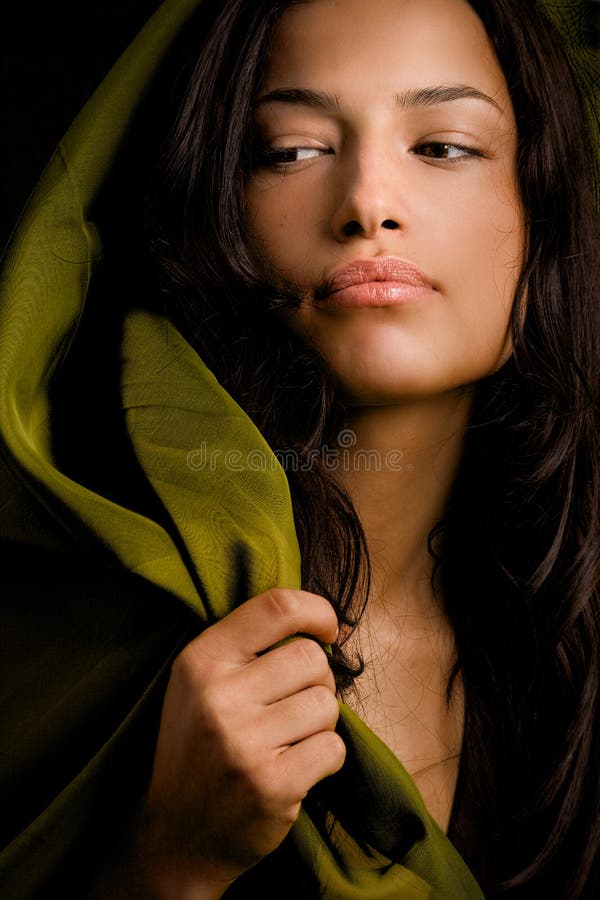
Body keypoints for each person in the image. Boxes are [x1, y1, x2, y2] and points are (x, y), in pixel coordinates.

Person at [0, 0, 598, 898]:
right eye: (292, 151)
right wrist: (169, 860)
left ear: (542, 217)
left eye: (441, 147)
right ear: (215, 211)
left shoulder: (569, 633)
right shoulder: (81, 620)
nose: (366, 203)